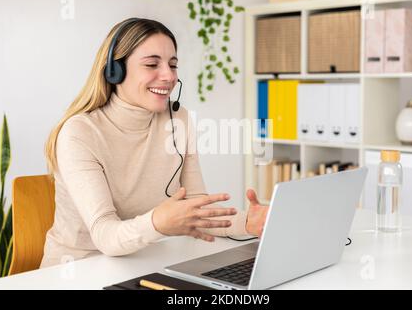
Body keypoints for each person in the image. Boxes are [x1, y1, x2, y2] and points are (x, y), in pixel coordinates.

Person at [41, 18, 268, 268]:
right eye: (152, 64)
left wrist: (251, 222)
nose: (168, 76)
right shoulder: (80, 132)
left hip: (144, 262)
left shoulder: (178, 119)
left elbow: (198, 211)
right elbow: (105, 235)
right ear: (114, 71)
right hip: (79, 270)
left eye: (173, 65)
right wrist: (158, 222)